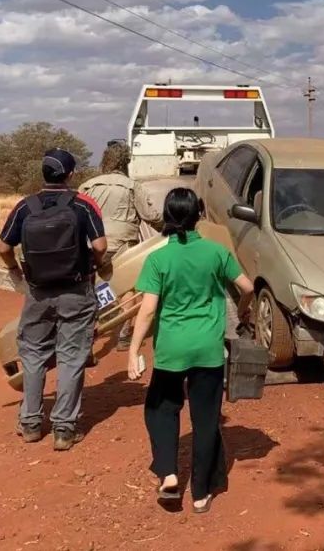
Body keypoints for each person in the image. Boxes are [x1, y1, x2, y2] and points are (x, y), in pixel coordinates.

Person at [126, 187, 254, 513]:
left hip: (172, 350)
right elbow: (247, 287)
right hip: (207, 350)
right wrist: (245, 310)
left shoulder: (158, 259)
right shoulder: (216, 252)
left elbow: (149, 309)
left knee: (161, 410)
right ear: (198, 216)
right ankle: (200, 492)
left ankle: (169, 475)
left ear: (167, 218)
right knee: (206, 418)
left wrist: (133, 350)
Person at [0, 148, 107, 451]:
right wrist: (95, 265)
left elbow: (4, 247)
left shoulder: (25, 207)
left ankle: (31, 423)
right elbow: (100, 245)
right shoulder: (83, 205)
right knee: (72, 357)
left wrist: (16, 271)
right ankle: (63, 430)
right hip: (76, 290)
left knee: (33, 356)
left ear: (43, 174)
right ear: (71, 174)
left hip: (37, 292)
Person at [78, 141, 164, 350]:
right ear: (125, 161)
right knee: (128, 287)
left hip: (92, 243)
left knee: (93, 288)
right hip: (124, 244)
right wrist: (168, 226)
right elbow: (150, 216)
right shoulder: (132, 185)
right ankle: (125, 332)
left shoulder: (87, 186)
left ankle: (89, 334)